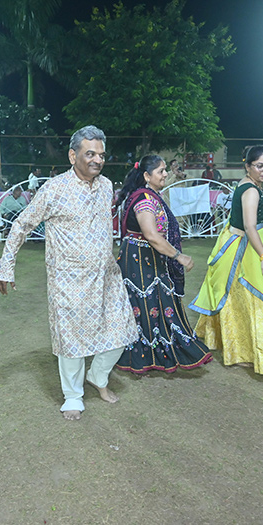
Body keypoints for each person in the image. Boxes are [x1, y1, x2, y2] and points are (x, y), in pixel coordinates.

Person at [0, 125, 137, 421]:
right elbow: (22, 225)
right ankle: (73, 396)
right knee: (71, 341)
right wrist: (6, 266)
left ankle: (98, 376)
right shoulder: (54, 189)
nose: (98, 160)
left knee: (123, 329)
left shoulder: (106, 186)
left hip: (107, 275)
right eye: (90, 154)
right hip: (69, 279)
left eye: (101, 154)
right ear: (73, 156)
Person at [190, 145, 263, 374]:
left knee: (240, 302)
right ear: (248, 166)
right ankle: (241, 353)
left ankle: (241, 350)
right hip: (242, 253)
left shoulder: (249, 185)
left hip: (239, 247)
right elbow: (249, 226)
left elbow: (249, 217)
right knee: (248, 302)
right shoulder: (251, 190)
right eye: (259, 166)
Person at [114, 155, 212, 374]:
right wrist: (178, 256)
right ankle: (146, 353)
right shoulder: (144, 199)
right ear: (147, 176)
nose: (166, 174)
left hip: (148, 257)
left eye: (165, 169)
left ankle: (158, 349)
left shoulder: (149, 196)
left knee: (157, 301)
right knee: (144, 303)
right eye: (161, 171)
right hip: (140, 259)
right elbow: (151, 235)